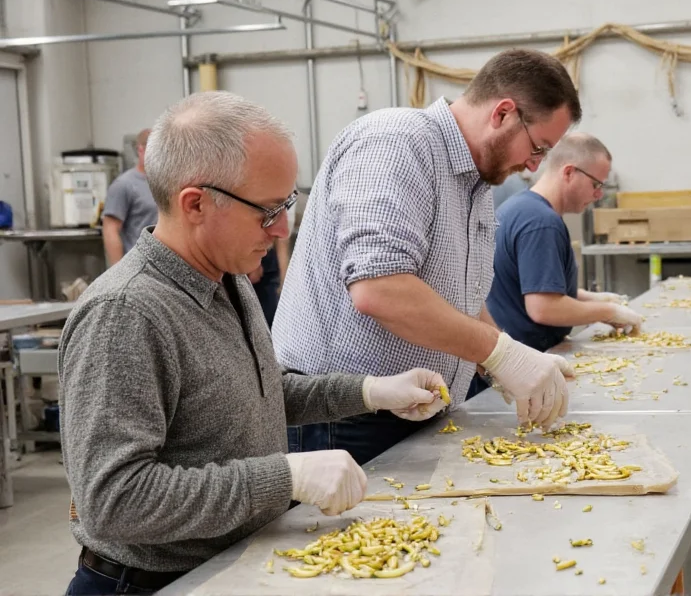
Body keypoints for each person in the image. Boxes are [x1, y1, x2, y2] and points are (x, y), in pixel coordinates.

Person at [59, 91, 448, 595]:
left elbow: (258, 393)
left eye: (286, 205)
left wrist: (371, 392)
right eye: (267, 211)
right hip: (151, 583)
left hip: (226, 565)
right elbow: (114, 500)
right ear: (195, 203)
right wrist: (284, 477)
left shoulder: (226, 278)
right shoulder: (125, 315)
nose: (283, 228)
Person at [273, 48, 582, 465]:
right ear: (504, 113)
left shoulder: (475, 183)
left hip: (416, 408)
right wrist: (500, 352)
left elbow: (457, 300)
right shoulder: (397, 144)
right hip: (347, 418)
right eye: (539, 147)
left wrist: (504, 358)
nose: (532, 166)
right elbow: (380, 288)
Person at [486, 134, 641, 351]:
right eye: (595, 184)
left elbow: (533, 286)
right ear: (569, 172)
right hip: (526, 357)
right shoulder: (541, 222)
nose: (598, 195)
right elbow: (543, 308)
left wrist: (591, 298)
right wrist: (607, 312)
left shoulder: (522, 207)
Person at [101, 128, 158, 265]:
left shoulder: (166, 183)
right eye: (153, 149)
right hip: (138, 266)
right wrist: (118, 273)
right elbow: (110, 230)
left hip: (163, 267)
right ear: (140, 149)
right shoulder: (124, 185)